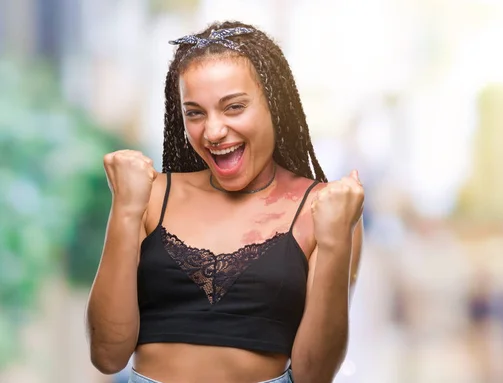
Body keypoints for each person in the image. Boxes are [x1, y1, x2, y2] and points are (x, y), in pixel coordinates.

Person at [85, 20, 364, 383]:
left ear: (274, 105)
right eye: (195, 113)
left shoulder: (323, 210)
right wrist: (124, 208)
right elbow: (107, 355)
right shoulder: (149, 197)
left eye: (233, 107)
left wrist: (334, 239)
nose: (213, 132)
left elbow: (314, 375)